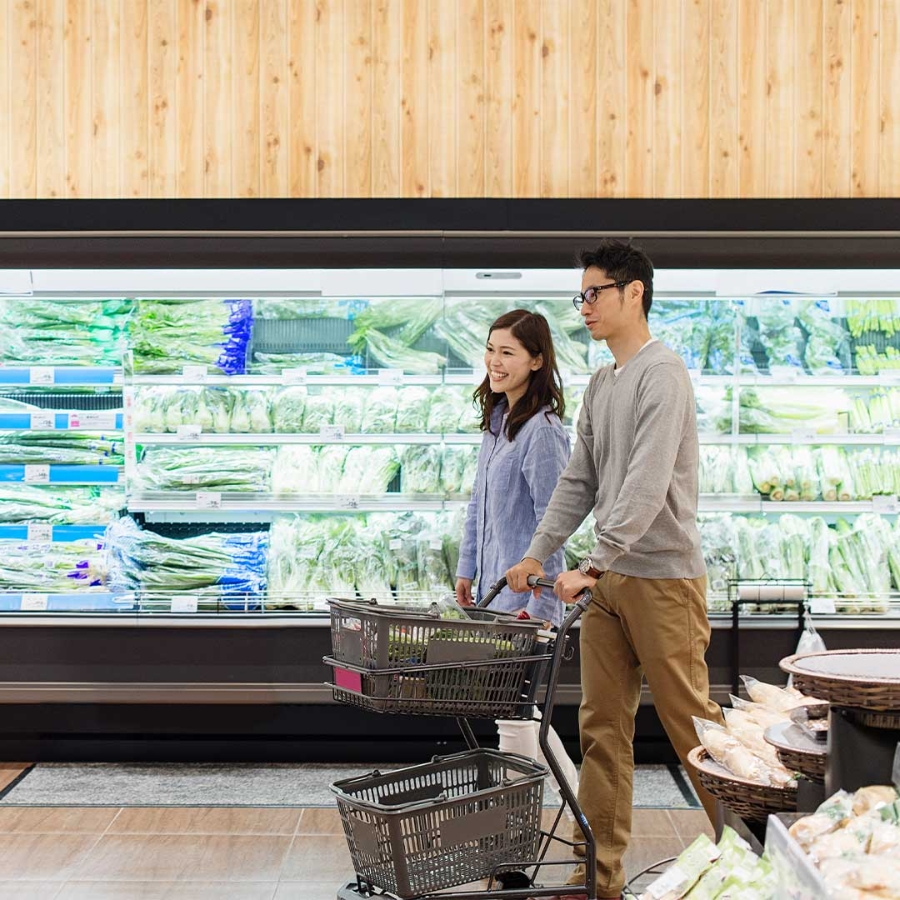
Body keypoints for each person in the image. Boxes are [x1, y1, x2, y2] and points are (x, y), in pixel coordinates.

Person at [506, 240, 725, 900]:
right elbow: (581, 480)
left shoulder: (664, 374)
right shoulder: (603, 382)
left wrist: (594, 564)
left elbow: (648, 483)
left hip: (662, 580)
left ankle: (748, 858)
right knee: (601, 731)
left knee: (695, 730)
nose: (585, 306)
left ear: (634, 293)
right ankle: (598, 875)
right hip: (605, 584)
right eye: (582, 295)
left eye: (594, 293)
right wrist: (538, 552)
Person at [455, 308, 580, 806]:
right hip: (492, 592)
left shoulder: (543, 431)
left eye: (508, 352)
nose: (495, 361)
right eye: (491, 349)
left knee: (513, 715)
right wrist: (467, 566)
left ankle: (512, 831)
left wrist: (534, 570)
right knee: (518, 712)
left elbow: (557, 514)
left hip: (528, 597)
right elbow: (478, 503)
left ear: (536, 360)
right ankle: (578, 810)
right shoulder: (498, 419)